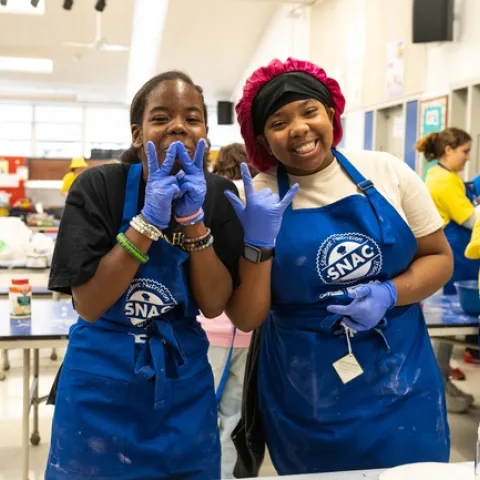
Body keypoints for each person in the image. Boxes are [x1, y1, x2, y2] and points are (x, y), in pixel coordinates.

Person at [225, 57, 454, 476]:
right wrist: (256, 245)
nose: (299, 129)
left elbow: (439, 259)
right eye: (279, 121)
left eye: (309, 112)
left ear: (331, 113)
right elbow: (246, 315)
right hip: (305, 392)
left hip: (402, 380)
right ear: (261, 137)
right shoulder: (255, 198)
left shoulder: (386, 172)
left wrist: (390, 293)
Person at [45, 70, 244, 479]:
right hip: (100, 384)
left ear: (205, 131)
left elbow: (212, 303)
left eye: (192, 118)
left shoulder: (219, 196)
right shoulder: (99, 187)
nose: (178, 126)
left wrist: (194, 222)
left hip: (181, 385)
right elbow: (90, 303)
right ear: (137, 134)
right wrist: (147, 221)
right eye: (161, 117)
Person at [197, 143, 257, 479]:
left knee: (204, 410)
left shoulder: (209, 202)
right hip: (250, 329)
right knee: (235, 415)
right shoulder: (262, 203)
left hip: (212, 328)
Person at [417, 128, 477, 413]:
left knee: (448, 323)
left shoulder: (440, 174)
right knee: (448, 322)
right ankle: (440, 384)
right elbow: (468, 219)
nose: (467, 157)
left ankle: (443, 381)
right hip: (454, 251)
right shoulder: (442, 181)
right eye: (465, 151)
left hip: (457, 252)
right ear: (449, 150)